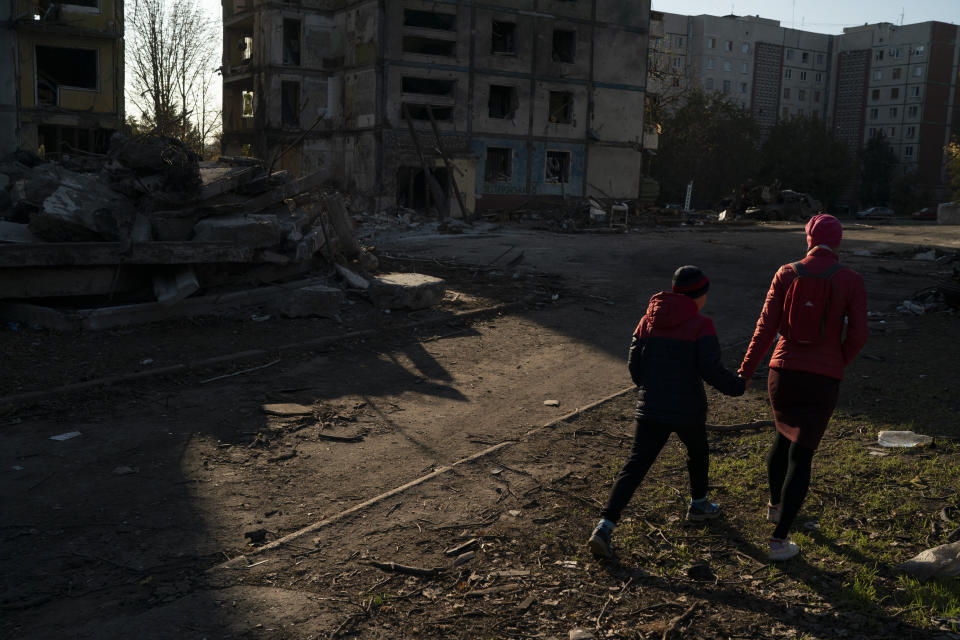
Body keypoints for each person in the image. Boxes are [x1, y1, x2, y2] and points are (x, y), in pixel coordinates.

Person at [588, 266, 747, 559]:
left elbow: (635, 366)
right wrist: (737, 386)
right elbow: (711, 370)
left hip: (650, 407)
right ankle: (699, 504)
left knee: (635, 466)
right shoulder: (702, 325)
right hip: (688, 409)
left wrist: (650, 386)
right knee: (698, 453)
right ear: (699, 295)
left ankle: (604, 526)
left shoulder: (648, 320)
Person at [739, 214, 867, 561]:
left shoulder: (787, 272)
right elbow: (857, 334)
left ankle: (774, 506)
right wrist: (837, 360)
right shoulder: (850, 279)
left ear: (808, 238)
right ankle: (779, 541)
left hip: (783, 372)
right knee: (803, 453)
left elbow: (766, 326)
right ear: (838, 242)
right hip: (822, 378)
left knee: (783, 437)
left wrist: (747, 370)